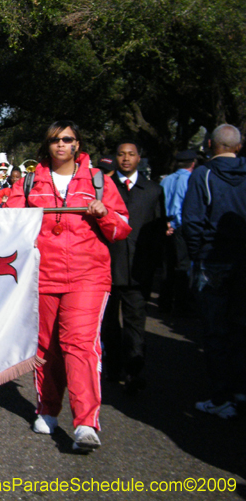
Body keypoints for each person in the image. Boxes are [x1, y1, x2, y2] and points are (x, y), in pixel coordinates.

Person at [6, 120, 130, 451]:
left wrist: (103, 214)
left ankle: (86, 423)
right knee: (46, 347)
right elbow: (7, 223)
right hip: (43, 276)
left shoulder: (99, 181)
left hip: (88, 277)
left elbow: (121, 230)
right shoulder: (31, 181)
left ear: (77, 144)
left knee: (80, 344)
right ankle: (47, 410)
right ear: (46, 146)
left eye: (68, 139)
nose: (61, 144)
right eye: (54, 140)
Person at [182, 124, 246, 419]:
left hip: (212, 260)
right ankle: (239, 389)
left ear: (209, 144)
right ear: (239, 146)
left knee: (215, 330)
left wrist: (198, 254)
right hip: (242, 261)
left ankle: (221, 397)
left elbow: (192, 220)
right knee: (239, 327)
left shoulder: (202, 174)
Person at [102, 141, 167, 394]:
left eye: (131, 154)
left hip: (138, 269)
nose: (126, 159)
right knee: (109, 323)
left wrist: (156, 266)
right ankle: (114, 366)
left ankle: (134, 370)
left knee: (135, 322)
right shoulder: (104, 187)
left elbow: (158, 230)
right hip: (108, 265)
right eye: (121, 154)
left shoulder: (152, 190)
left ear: (140, 158)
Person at [159, 149, 197, 314]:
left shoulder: (166, 180)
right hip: (180, 226)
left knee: (167, 266)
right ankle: (181, 304)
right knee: (183, 266)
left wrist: (166, 223)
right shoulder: (190, 180)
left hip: (166, 226)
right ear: (193, 163)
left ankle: (165, 301)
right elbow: (182, 207)